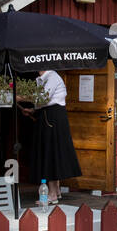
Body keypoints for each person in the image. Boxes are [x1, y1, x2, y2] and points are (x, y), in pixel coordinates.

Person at [25, 69, 81, 202]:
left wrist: (21, 97)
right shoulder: (43, 78)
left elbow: (44, 98)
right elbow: (42, 102)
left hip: (53, 118)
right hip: (48, 116)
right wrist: (33, 110)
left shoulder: (52, 77)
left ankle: (52, 194)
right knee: (50, 152)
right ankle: (56, 190)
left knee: (50, 153)